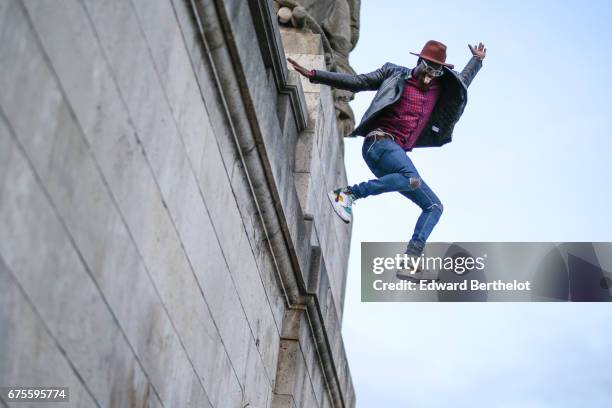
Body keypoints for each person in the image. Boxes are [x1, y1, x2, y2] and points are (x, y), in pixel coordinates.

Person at [288, 40, 486, 280]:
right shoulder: (394, 73)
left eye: (435, 73)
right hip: (378, 142)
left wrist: (476, 60)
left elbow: (461, 83)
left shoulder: (439, 89)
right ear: (418, 62)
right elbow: (359, 82)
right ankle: (348, 194)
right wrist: (314, 74)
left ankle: (411, 261)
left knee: (434, 206)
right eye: (426, 69)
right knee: (411, 178)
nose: (428, 77)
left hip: (393, 159)